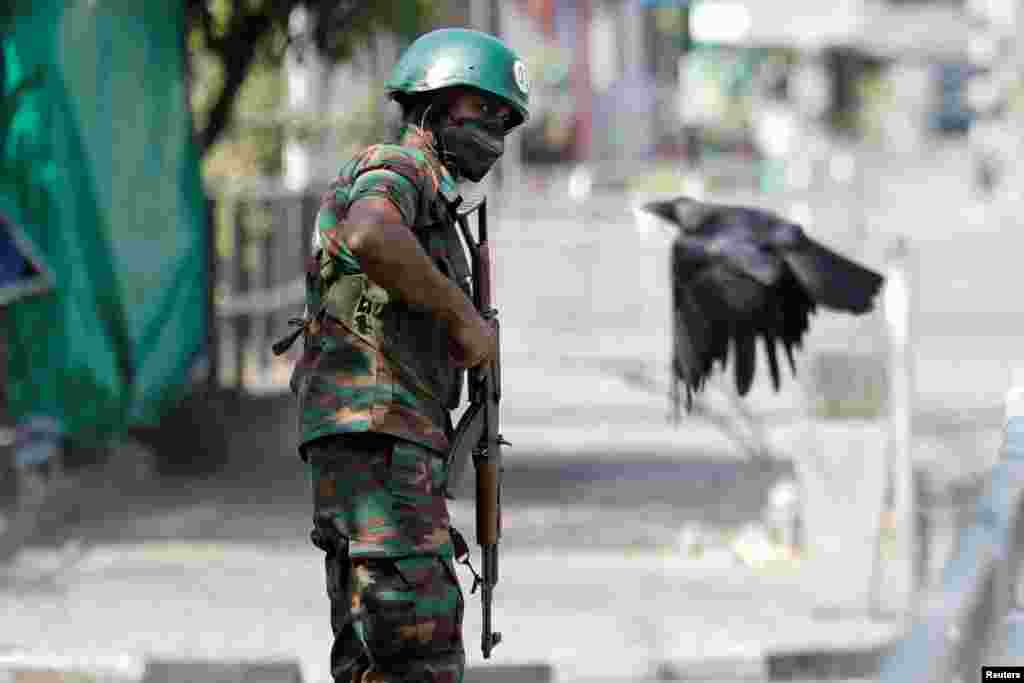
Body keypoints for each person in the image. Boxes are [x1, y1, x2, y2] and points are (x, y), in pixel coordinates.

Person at [279, 28, 529, 683]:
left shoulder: (436, 204)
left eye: (506, 121)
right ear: (434, 104)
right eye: (484, 112)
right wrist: (462, 315)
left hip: (380, 437)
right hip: (377, 432)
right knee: (417, 644)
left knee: (375, 656)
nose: (496, 133)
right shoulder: (400, 165)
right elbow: (369, 233)